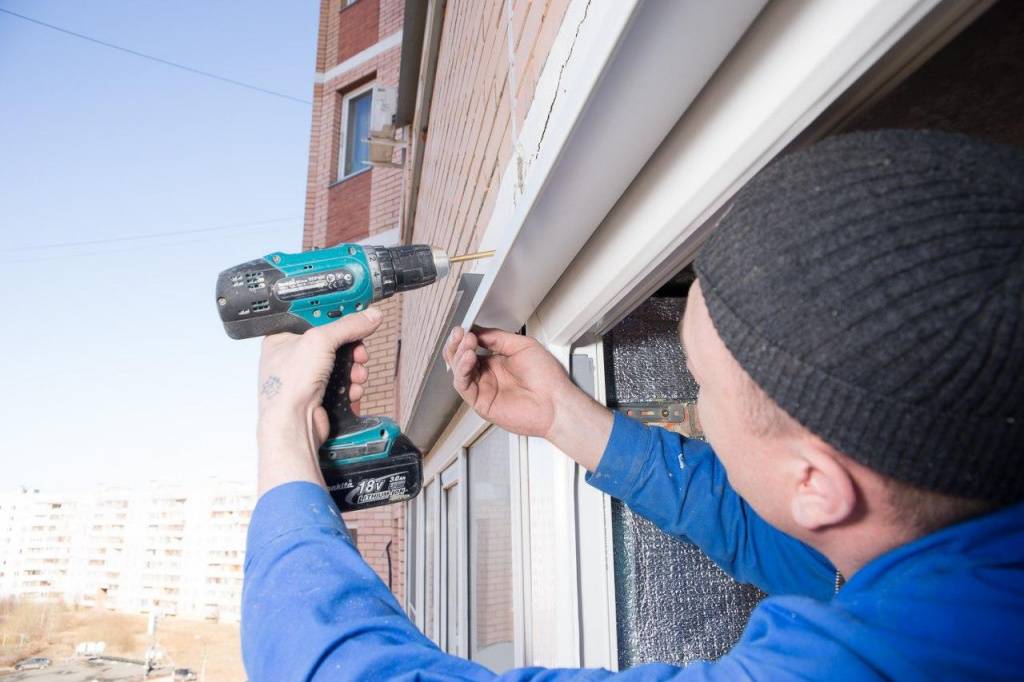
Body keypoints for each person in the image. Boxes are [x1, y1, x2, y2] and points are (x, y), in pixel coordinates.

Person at [241, 129, 1024, 680]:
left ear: (817, 484)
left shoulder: (890, 663)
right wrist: (567, 420)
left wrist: (284, 436)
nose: (694, 409)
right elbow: (780, 532)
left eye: (700, 387)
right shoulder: (963, 559)